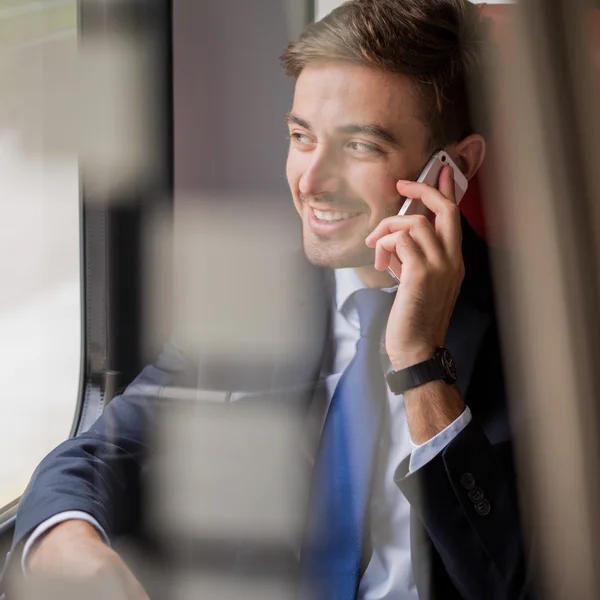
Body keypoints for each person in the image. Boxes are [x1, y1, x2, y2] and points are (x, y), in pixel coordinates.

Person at [3, 0, 527, 598]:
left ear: (453, 169)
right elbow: (103, 450)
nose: (310, 181)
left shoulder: (547, 336)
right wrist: (64, 541)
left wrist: (421, 365)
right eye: (301, 137)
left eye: (359, 147)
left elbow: (513, 577)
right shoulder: (254, 299)